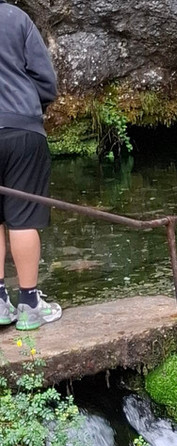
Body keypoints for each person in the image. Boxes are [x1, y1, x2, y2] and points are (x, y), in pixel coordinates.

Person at [0, 0, 61, 330]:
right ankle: (28, 303)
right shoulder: (16, 17)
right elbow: (45, 79)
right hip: (22, 130)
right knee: (22, 218)